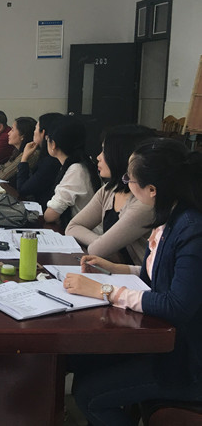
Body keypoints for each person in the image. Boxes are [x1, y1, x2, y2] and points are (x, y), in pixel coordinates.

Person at [65, 138, 202, 426]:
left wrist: (105, 290)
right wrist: (117, 268)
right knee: (77, 359)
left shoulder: (191, 228)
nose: (126, 184)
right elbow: (165, 274)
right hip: (169, 343)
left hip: (187, 361)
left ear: (152, 189)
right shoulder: (171, 215)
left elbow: (177, 304)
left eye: (130, 179)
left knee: (90, 396)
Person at [66, 125, 156, 265]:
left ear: (123, 156)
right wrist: (107, 247)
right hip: (115, 271)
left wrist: (104, 246)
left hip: (138, 275)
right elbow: (73, 227)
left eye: (104, 151)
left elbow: (97, 249)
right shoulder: (110, 190)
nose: (98, 157)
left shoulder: (144, 202)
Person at [42, 116, 100, 226]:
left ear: (53, 144)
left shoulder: (76, 170)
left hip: (83, 232)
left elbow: (50, 216)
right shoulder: (82, 164)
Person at [16, 112, 63, 209]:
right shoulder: (48, 157)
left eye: (36, 129)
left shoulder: (51, 162)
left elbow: (23, 189)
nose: (34, 132)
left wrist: (24, 159)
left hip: (43, 211)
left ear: (43, 133)